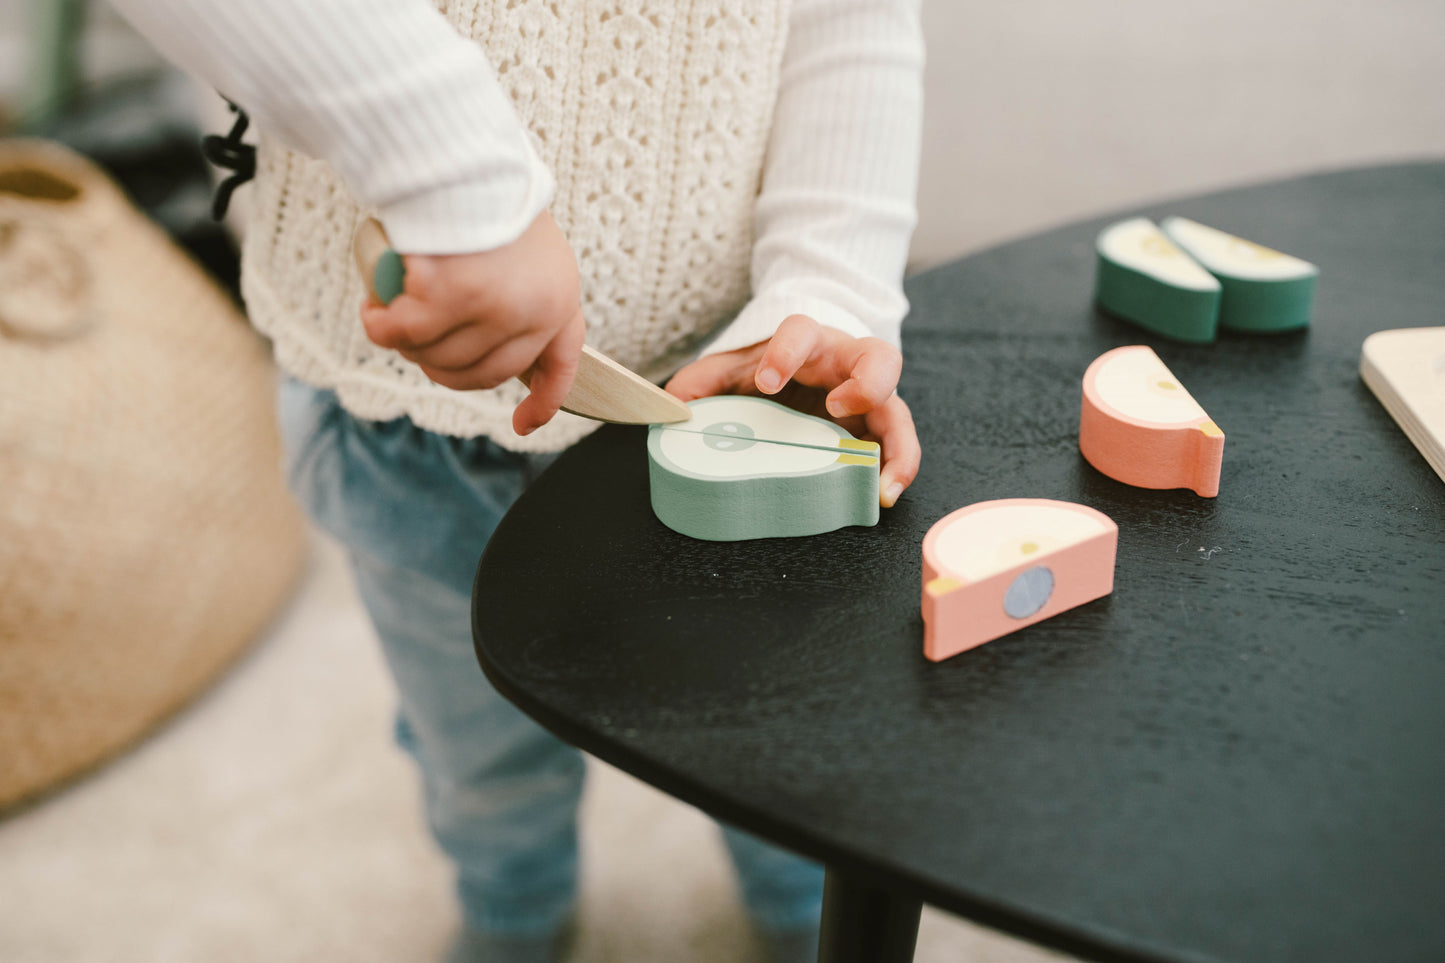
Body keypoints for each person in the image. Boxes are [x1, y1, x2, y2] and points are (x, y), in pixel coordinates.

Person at [108, 1, 924, 960]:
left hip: (740, 415)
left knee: (774, 736)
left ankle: (806, 906)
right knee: (479, 757)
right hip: (413, 434)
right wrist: (451, 170)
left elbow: (850, 21)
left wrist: (829, 287)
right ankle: (512, 904)